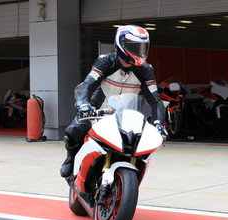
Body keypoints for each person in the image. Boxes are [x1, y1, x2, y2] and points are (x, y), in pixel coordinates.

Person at [60, 25, 167, 178]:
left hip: (128, 115)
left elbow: (154, 100)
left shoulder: (146, 69)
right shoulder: (105, 61)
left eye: (143, 47)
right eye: (135, 46)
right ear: (121, 44)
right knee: (73, 132)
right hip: (98, 111)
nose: (140, 51)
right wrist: (83, 103)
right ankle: (71, 157)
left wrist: (159, 124)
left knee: (142, 143)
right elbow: (87, 85)